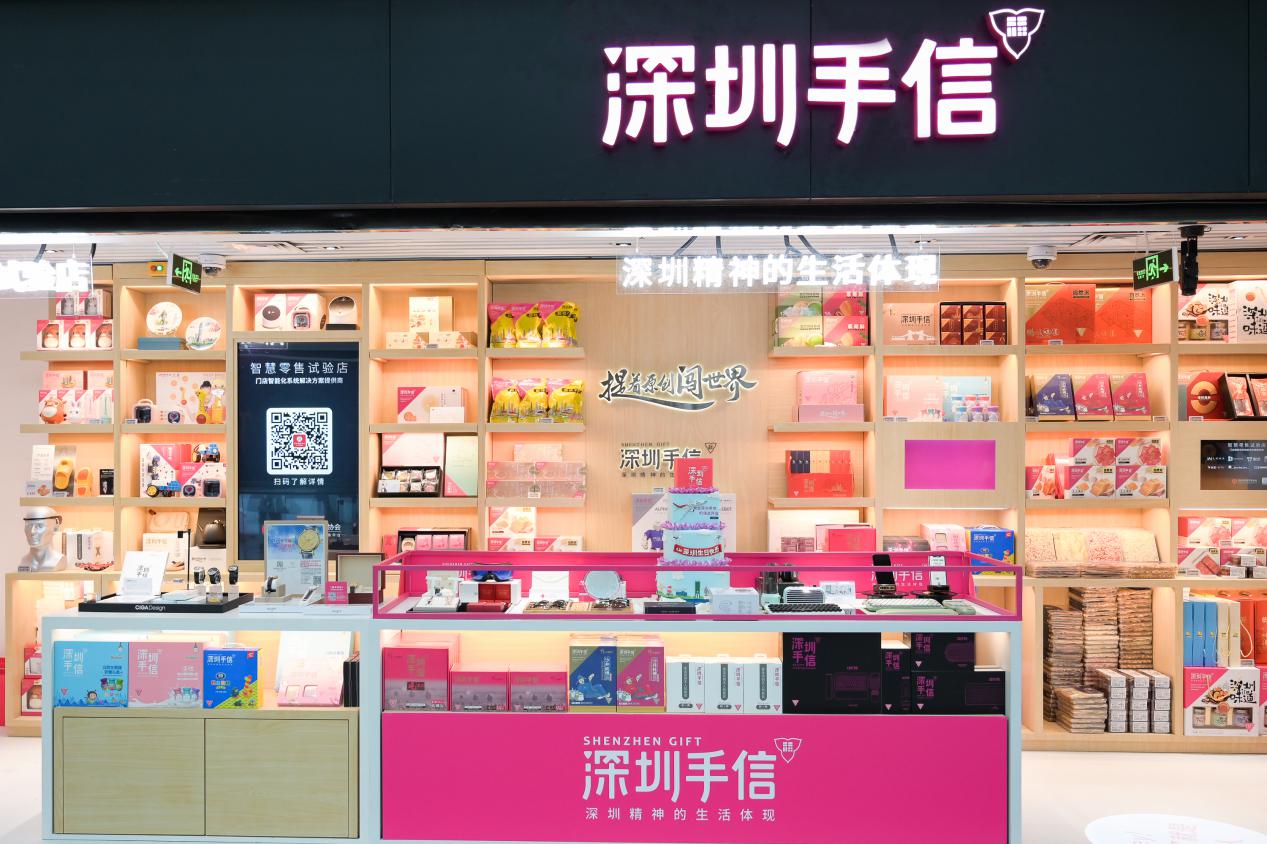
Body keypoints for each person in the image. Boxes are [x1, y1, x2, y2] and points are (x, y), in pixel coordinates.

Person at [20, 506, 64, 571]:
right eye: (29, 526)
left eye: (40, 526)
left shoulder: (59, 561)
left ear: (55, 529)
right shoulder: (24, 562)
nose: (32, 532)